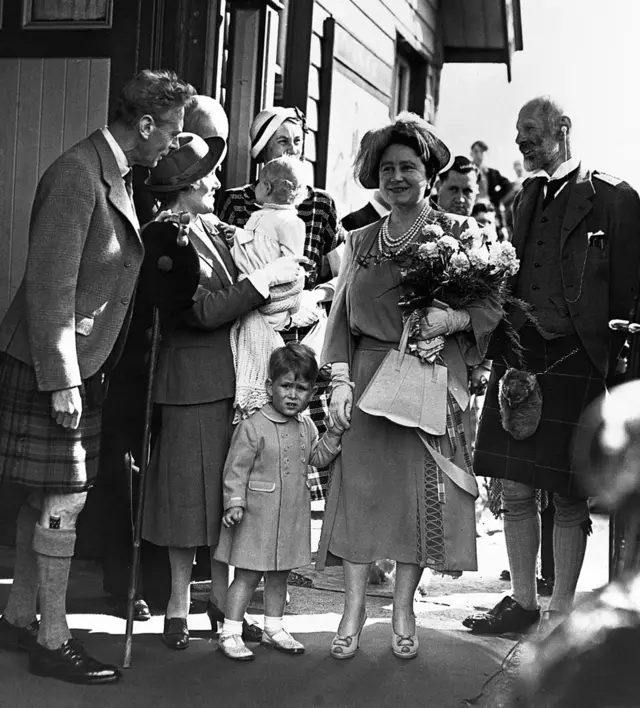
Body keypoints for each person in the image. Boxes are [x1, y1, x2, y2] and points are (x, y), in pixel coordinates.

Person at [0, 69, 194, 684]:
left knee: (47, 495)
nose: (174, 143)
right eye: (171, 131)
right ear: (144, 124)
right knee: (65, 497)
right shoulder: (77, 173)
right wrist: (61, 380)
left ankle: (15, 618)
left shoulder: (114, 173)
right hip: (49, 364)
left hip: (77, 363)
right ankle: (52, 641)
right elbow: (51, 286)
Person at [316, 112, 503, 661]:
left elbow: (491, 308)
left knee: (414, 502)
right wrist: (341, 380)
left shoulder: (458, 232)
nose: (396, 176)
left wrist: (454, 323)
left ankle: (403, 607)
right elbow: (341, 319)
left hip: (428, 380)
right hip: (369, 382)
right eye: (388, 167)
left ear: (429, 173)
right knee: (358, 498)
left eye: (408, 167)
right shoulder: (361, 239)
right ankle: (351, 610)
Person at [464, 96, 640, 635]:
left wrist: (619, 369)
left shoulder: (614, 197)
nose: (520, 141)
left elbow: (632, 293)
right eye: (517, 132)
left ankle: (562, 611)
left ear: (563, 129)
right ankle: (521, 602)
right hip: (521, 355)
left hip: (579, 358)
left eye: (531, 131)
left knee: (568, 493)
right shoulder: (525, 196)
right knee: (515, 487)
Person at [140, 132, 302, 651]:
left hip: (233, 378)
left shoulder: (212, 227)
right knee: (187, 499)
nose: (215, 182)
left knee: (226, 498)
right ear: (183, 187)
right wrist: (261, 285)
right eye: (205, 176)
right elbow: (201, 311)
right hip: (191, 382)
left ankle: (221, 604)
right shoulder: (166, 237)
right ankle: (178, 604)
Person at [218, 106, 345, 500]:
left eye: (297, 141)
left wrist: (313, 294)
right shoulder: (237, 203)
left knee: (302, 436)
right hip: (252, 325)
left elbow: (342, 275)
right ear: (261, 152)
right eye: (281, 142)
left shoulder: (319, 205)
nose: (292, 149)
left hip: (305, 329)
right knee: (255, 431)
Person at [214, 343, 344, 661]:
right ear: (270, 386)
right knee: (246, 575)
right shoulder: (252, 426)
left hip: (289, 518)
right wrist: (234, 502)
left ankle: (274, 627)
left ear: (311, 392)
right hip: (255, 518)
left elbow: (318, 457)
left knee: (279, 576)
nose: (292, 395)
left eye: (301, 388)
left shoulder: (306, 426)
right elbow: (235, 470)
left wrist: (335, 434)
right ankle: (230, 631)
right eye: (286, 385)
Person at [220, 156, 308, 418]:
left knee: (259, 351)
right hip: (247, 289)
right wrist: (234, 235)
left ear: (267, 187)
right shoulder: (259, 216)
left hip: (269, 297)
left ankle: (256, 399)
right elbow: (252, 246)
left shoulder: (291, 222)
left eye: (258, 183)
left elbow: (291, 263)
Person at [470, 140, 513, 212]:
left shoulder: (492, 173)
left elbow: (507, 185)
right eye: (476, 151)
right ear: (471, 153)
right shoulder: (466, 170)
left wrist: (495, 198)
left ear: (485, 153)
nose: (479, 154)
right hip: (472, 207)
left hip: (488, 207)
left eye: (482, 151)